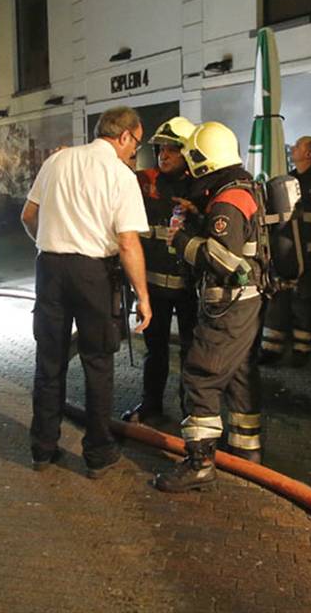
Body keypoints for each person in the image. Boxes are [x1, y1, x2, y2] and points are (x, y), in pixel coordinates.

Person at [20, 106, 154, 479]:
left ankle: (42, 448)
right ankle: (97, 453)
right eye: (136, 143)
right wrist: (143, 296)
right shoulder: (120, 175)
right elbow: (128, 242)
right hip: (94, 274)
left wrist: (48, 246)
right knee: (98, 362)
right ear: (124, 136)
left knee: (49, 362)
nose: (134, 151)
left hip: (49, 269)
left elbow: (28, 216)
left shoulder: (56, 162)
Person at [154, 121, 267, 491]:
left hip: (228, 305)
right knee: (237, 376)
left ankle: (199, 463)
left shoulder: (228, 201)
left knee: (202, 375)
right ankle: (245, 452)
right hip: (246, 304)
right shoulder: (242, 189)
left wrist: (184, 239)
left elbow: (226, 261)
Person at [122, 117, 198, 425]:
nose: (163, 156)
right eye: (160, 150)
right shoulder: (145, 183)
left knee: (193, 353)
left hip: (190, 288)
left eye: (172, 150)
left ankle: (192, 413)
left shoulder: (201, 188)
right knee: (155, 351)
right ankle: (151, 405)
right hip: (153, 287)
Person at [259, 136, 311, 367]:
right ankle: (271, 349)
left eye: (297, 146)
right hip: (284, 259)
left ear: (309, 154)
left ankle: (302, 350)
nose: (292, 148)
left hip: (310, 261)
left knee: (303, 306)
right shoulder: (285, 183)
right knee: (277, 305)